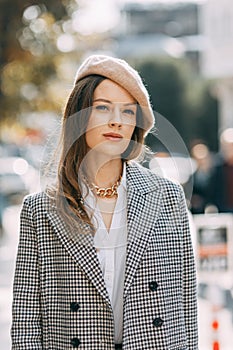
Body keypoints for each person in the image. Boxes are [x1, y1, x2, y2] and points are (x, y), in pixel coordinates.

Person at [11, 55, 198, 349]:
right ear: (80, 114)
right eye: (103, 107)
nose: (116, 120)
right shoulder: (40, 209)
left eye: (127, 111)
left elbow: (186, 304)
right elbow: (26, 319)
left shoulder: (167, 197)